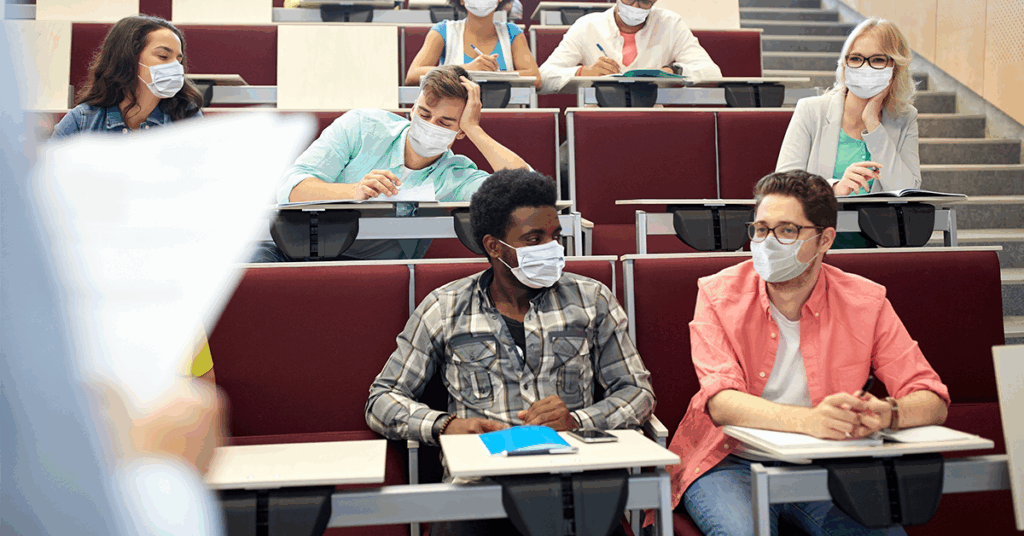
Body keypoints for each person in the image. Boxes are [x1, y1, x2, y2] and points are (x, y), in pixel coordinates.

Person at [656, 170, 949, 535]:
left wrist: (887, 413)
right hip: (729, 462)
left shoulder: (865, 301)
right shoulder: (718, 294)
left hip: (826, 464)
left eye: (787, 230)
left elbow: (932, 398)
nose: (768, 242)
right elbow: (721, 401)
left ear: (825, 239)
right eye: (761, 229)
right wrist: (809, 421)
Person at [366, 169, 655, 535]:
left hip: (574, 481)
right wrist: (444, 425)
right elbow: (382, 398)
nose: (551, 249)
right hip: (480, 487)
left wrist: (578, 421)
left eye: (555, 237)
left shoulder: (592, 299)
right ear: (494, 246)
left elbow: (637, 392)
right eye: (534, 238)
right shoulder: (445, 307)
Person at [257, 65, 531, 261]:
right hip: (292, 250)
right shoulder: (362, 126)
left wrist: (474, 129)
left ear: (459, 131)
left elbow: (525, 191)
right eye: (424, 113)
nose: (430, 125)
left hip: (372, 272)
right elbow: (291, 187)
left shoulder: (457, 175)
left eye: (445, 122)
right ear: (412, 109)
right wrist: (353, 192)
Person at [776, 18, 920, 196]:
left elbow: (908, 191)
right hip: (821, 222)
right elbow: (783, 187)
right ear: (845, 65)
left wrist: (873, 125)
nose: (865, 67)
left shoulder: (905, 118)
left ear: (895, 68)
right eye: (856, 58)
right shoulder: (811, 110)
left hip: (879, 223)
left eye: (877, 60)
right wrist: (834, 188)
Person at [52, 15, 204, 138]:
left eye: (179, 60)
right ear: (127, 58)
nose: (175, 67)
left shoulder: (187, 118)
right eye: (163, 56)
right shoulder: (82, 121)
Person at [537, 0, 722, 94]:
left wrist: (674, 70)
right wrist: (582, 72)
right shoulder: (588, 26)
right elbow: (543, 78)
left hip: (653, 120)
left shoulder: (670, 24)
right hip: (596, 120)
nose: (636, 7)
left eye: (644, 2)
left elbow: (712, 72)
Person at [405, 0, 542, 90]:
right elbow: (413, 75)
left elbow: (536, 79)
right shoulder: (443, 31)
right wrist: (467, 69)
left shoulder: (512, 33)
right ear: (462, 1)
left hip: (504, 116)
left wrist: (494, 75)